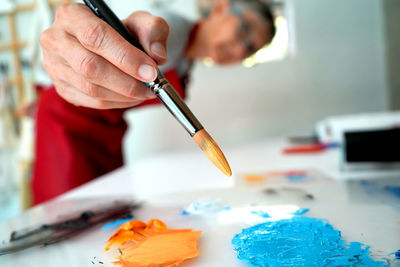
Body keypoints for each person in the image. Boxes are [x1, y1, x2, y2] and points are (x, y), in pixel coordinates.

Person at [33, 0, 276, 204]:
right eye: (244, 32)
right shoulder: (172, 31)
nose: (238, 49)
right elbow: (93, 57)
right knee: (71, 220)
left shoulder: (186, 62)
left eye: (250, 50)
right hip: (69, 128)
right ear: (221, 7)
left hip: (107, 132)